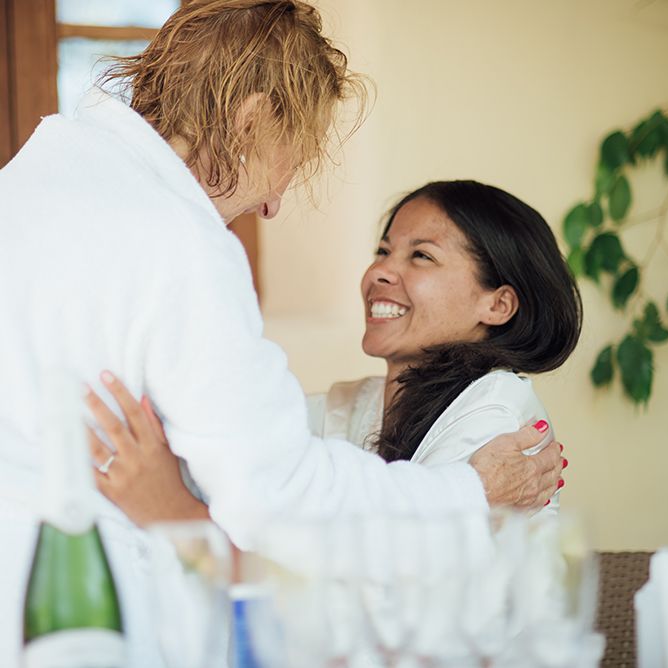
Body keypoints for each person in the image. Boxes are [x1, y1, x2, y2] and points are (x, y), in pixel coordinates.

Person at [0, 2, 562, 665]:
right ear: (252, 119)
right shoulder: (177, 241)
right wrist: (467, 492)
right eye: (289, 157)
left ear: (501, 302)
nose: (273, 201)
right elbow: (276, 494)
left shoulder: (29, 187)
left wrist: (168, 494)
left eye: (422, 256)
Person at [87, 180, 578, 526]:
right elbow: (251, 462)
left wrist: (171, 512)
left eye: (421, 255)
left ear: (498, 304)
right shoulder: (355, 405)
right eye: (383, 251)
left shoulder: (495, 415)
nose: (380, 272)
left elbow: (380, 594)